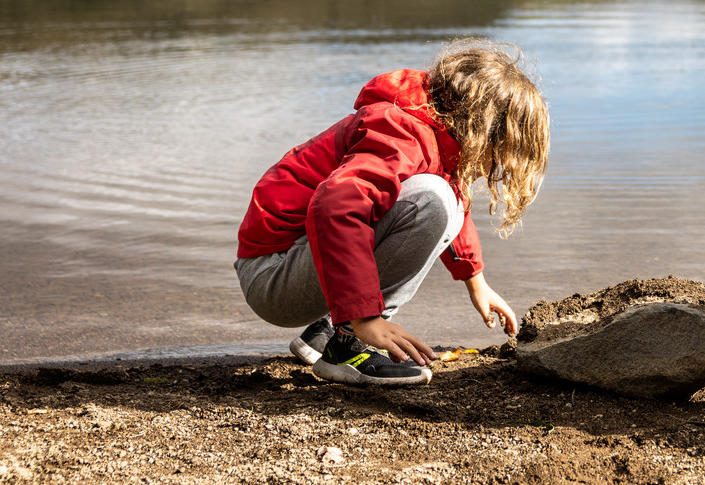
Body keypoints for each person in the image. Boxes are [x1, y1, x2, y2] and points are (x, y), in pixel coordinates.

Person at [235, 40, 549, 387]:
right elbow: (335, 208)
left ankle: (324, 335)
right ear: (481, 128)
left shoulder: (431, 131)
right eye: (502, 150)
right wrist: (367, 319)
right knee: (435, 198)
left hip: (295, 264)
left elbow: (453, 213)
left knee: (446, 198)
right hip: (273, 276)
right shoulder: (401, 132)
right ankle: (348, 345)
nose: (501, 165)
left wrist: (476, 281)